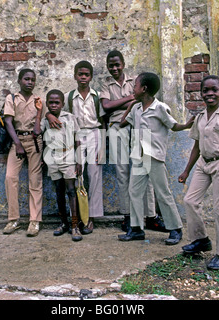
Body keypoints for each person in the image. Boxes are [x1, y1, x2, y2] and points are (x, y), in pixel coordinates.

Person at [118, 72, 194, 243]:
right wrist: (130, 106)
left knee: (163, 193)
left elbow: (173, 126)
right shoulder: (137, 108)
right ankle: (137, 229)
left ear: (144, 89)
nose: (133, 89)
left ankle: (175, 229)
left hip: (154, 157)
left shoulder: (160, 108)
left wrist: (186, 125)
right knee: (134, 192)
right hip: (139, 156)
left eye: (135, 85)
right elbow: (122, 123)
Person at [178, 75, 219, 270]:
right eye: (205, 90)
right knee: (190, 200)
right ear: (201, 93)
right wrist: (186, 171)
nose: (210, 94)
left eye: (214, 90)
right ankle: (201, 240)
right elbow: (197, 146)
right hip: (203, 164)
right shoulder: (200, 117)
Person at [100, 50, 165, 232]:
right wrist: (129, 98)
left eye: (117, 64)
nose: (114, 68)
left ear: (123, 64)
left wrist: (120, 103)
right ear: (107, 66)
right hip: (116, 127)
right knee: (122, 173)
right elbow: (106, 106)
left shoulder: (136, 80)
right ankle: (127, 216)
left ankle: (151, 216)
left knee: (145, 168)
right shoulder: (106, 85)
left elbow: (141, 102)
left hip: (137, 125)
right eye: (111, 65)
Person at [46, 61, 104, 234]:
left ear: (91, 76)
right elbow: (54, 109)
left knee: (94, 174)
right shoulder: (69, 96)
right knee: (78, 176)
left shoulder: (97, 96)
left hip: (94, 134)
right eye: (80, 74)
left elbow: (103, 119)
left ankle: (90, 218)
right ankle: (76, 218)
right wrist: (48, 114)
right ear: (75, 76)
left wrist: (102, 143)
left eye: (86, 75)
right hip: (75, 138)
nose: (83, 78)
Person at [34, 89, 83, 241]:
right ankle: (64, 223)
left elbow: (78, 139)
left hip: (68, 156)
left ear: (62, 104)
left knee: (71, 190)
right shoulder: (44, 121)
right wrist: (42, 113)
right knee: (59, 191)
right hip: (52, 157)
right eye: (51, 103)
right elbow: (36, 132)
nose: (54, 105)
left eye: (57, 103)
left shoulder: (69, 118)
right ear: (47, 104)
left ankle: (75, 225)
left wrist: (79, 160)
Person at [2, 68, 46, 236]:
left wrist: (39, 113)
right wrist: (17, 144)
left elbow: (38, 128)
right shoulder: (12, 98)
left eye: (32, 80)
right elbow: (8, 122)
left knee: (35, 180)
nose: (30, 82)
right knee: (10, 177)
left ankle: (34, 221)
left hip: (35, 142)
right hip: (17, 141)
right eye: (26, 79)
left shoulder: (38, 100)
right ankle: (13, 219)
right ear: (19, 81)